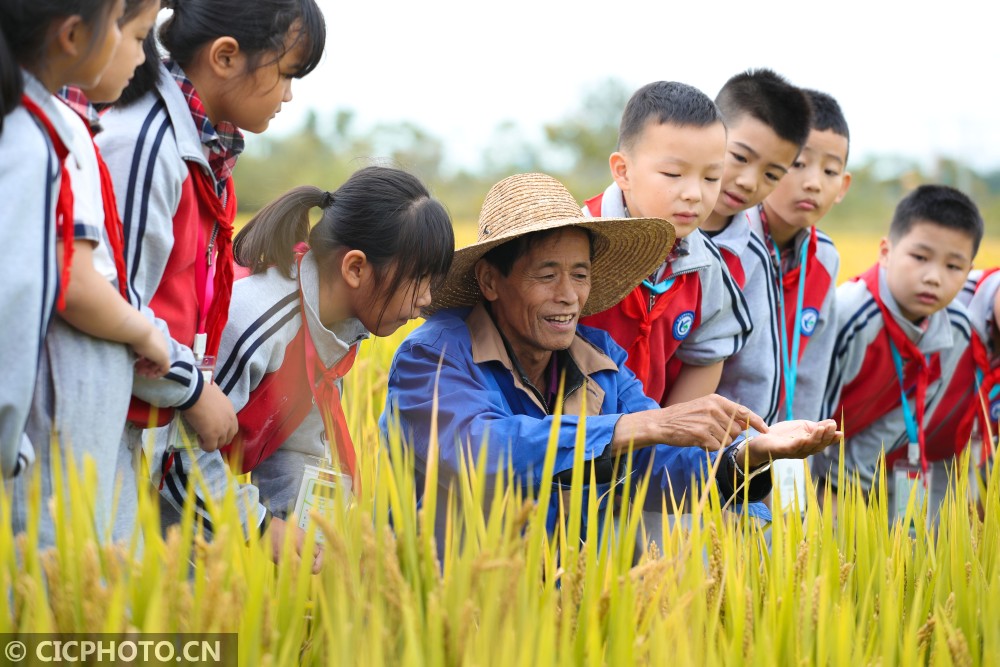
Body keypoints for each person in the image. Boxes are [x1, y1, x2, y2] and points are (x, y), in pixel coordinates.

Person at [381, 173, 843, 544]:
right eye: (547, 275)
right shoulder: (433, 356)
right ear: (489, 280)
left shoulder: (598, 362)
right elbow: (480, 450)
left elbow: (659, 464)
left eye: (579, 275)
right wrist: (630, 427)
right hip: (455, 604)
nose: (568, 296)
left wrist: (751, 454)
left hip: (564, 602)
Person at [96, 0, 327, 537]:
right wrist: (193, 389)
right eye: (287, 74)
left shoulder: (205, 155)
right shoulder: (149, 146)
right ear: (225, 57)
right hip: (92, 437)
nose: (290, 95)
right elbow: (114, 308)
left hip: (134, 432)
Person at [157, 167, 454, 571]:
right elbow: (173, 453)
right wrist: (260, 527)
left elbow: (294, 449)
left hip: (193, 515)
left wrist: (320, 540)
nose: (426, 301)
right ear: (355, 268)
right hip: (137, 514)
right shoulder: (257, 322)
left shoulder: (333, 332)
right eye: (418, 280)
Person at [2, 0, 172, 547]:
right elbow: (33, 290)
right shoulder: (37, 140)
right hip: (40, 450)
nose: (146, 55)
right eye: (138, 31)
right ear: (73, 35)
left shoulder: (46, 130)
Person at [579, 81, 752, 408]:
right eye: (674, 174)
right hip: (569, 439)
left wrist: (667, 436)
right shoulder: (577, 242)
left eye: (711, 178)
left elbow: (709, 352)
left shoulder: (707, 266)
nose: (694, 194)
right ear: (623, 171)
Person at [815, 185, 983, 518]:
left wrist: (854, 482)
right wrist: (826, 489)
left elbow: (917, 415)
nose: (933, 277)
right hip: (814, 461)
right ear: (886, 251)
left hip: (876, 465)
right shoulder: (849, 316)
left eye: (954, 267)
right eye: (920, 257)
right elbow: (811, 410)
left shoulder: (958, 326)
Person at [703, 69, 813, 430]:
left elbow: (756, 374)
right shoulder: (643, 224)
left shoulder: (752, 258)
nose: (749, 182)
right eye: (740, 157)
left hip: (693, 451)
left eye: (771, 174)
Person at [757, 89, 851, 508]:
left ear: (844, 186)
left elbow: (813, 373)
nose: (814, 182)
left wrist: (801, 460)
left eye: (830, 171)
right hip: (717, 457)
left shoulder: (824, 259)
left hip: (789, 455)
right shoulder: (729, 246)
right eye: (798, 163)